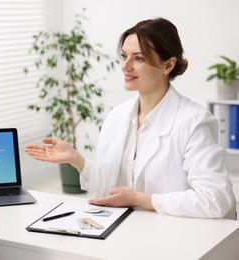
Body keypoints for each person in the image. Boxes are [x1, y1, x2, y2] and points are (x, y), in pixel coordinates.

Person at [25, 17, 236, 220]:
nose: (125, 66)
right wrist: (76, 160)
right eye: (124, 55)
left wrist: (141, 200)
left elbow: (216, 199)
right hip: (125, 231)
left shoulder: (194, 122)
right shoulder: (117, 116)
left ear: (168, 65)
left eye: (139, 58)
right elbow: (109, 187)